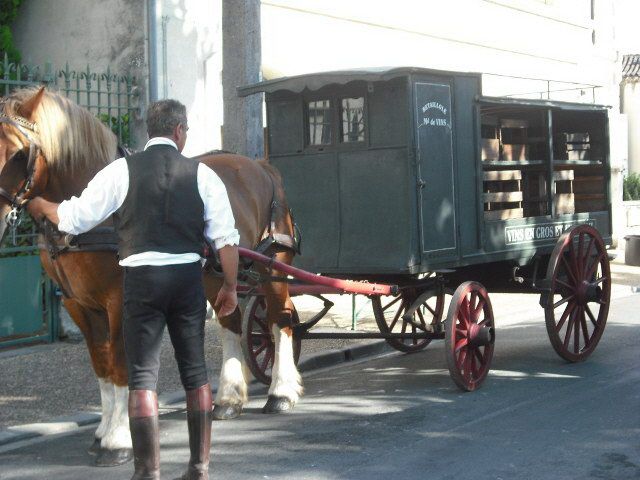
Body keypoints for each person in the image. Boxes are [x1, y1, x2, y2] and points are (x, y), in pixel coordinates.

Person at [27, 99, 239, 480]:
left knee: (143, 377)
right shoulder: (203, 175)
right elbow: (225, 239)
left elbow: (75, 217)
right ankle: (199, 468)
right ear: (179, 132)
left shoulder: (120, 171)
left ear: (150, 131)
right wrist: (230, 287)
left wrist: (43, 205)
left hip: (141, 282)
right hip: (187, 280)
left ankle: (148, 472)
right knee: (196, 374)